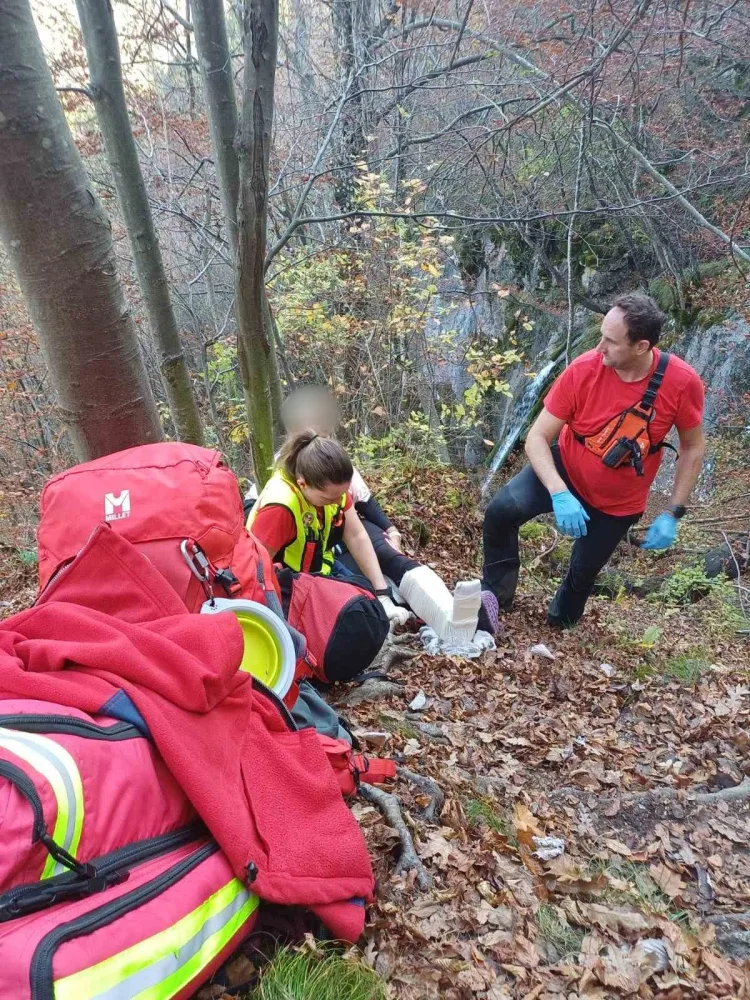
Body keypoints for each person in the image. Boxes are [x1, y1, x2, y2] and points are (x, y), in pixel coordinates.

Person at [480, 292, 706, 632]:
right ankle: (496, 598)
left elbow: (693, 447)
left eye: (611, 342)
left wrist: (673, 511)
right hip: (566, 468)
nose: (599, 347)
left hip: (619, 502)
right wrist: (559, 492)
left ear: (641, 346)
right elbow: (537, 437)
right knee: (500, 512)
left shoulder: (682, 382)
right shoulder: (584, 369)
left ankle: (560, 628)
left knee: (583, 572)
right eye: (601, 335)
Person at [277, 386, 481, 642]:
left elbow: (360, 506)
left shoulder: (333, 457)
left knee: (388, 554)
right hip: (320, 548)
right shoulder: (279, 476)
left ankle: (450, 615)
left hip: (348, 526)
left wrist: (391, 530)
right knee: (358, 583)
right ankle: (400, 604)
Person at [248, 430, 411, 626]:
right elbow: (254, 568)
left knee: (368, 603)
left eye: (341, 495)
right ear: (302, 484)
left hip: (319, 568)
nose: (337, 502)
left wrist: (382, 593)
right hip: (285, 584)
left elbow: (356, 536)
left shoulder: (332, 491)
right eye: (329, 498)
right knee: (354, 621)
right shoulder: (280, 508)